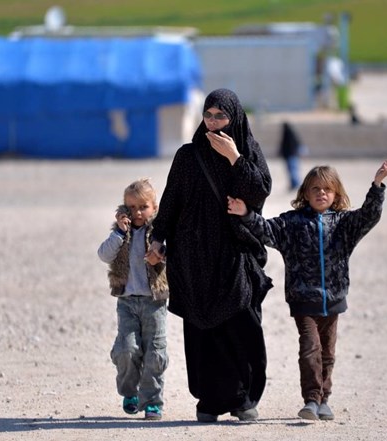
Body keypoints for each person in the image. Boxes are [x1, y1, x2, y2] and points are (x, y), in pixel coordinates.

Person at [227, 160, 387, 421]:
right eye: (315, 188)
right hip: (303, 299)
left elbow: (369, 215)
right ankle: (311, 400)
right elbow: (265, 230)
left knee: (327, 353)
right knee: (310, 348)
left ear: (336, 194)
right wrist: (245, 213)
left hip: (334, 300)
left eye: (327, 189)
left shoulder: (343, 224)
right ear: (304, 193)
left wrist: (377, 185)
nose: (321, 193)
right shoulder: (292, 223)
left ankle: (324, 399)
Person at [146, 88, 273, 423]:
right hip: (192, 255)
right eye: (209, 115)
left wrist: (235, 159)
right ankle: (209, 402)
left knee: (241, 322)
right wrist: (158, 238)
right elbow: (171, 201)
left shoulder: (247, 150)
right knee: (202, 327)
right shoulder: (188, 156)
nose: (214, 122)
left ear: (235, 118)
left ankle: (243, 398)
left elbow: (260, 191)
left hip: (233, 253)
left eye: (221, 115)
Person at [97, 178, 169, 421]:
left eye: (143, 207)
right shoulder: (121, 233)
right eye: (132, 207)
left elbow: (177, 257)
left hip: (154, 302)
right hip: (127, 302)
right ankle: (130, 392)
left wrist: (160, 256)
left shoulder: (161, 233)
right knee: (126, 349)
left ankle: (152, 402)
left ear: (154, 207)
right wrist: (119, 232)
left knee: (154, 354)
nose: (138, 212)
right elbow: (104, 255)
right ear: (124, 209)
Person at [279, 121, 303, 191]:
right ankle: (294, 184)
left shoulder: (288, 135)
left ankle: (295, 184)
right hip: (292, 155)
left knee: (293, 171)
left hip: (291, 156)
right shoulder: (291, 134)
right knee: (292, 170)